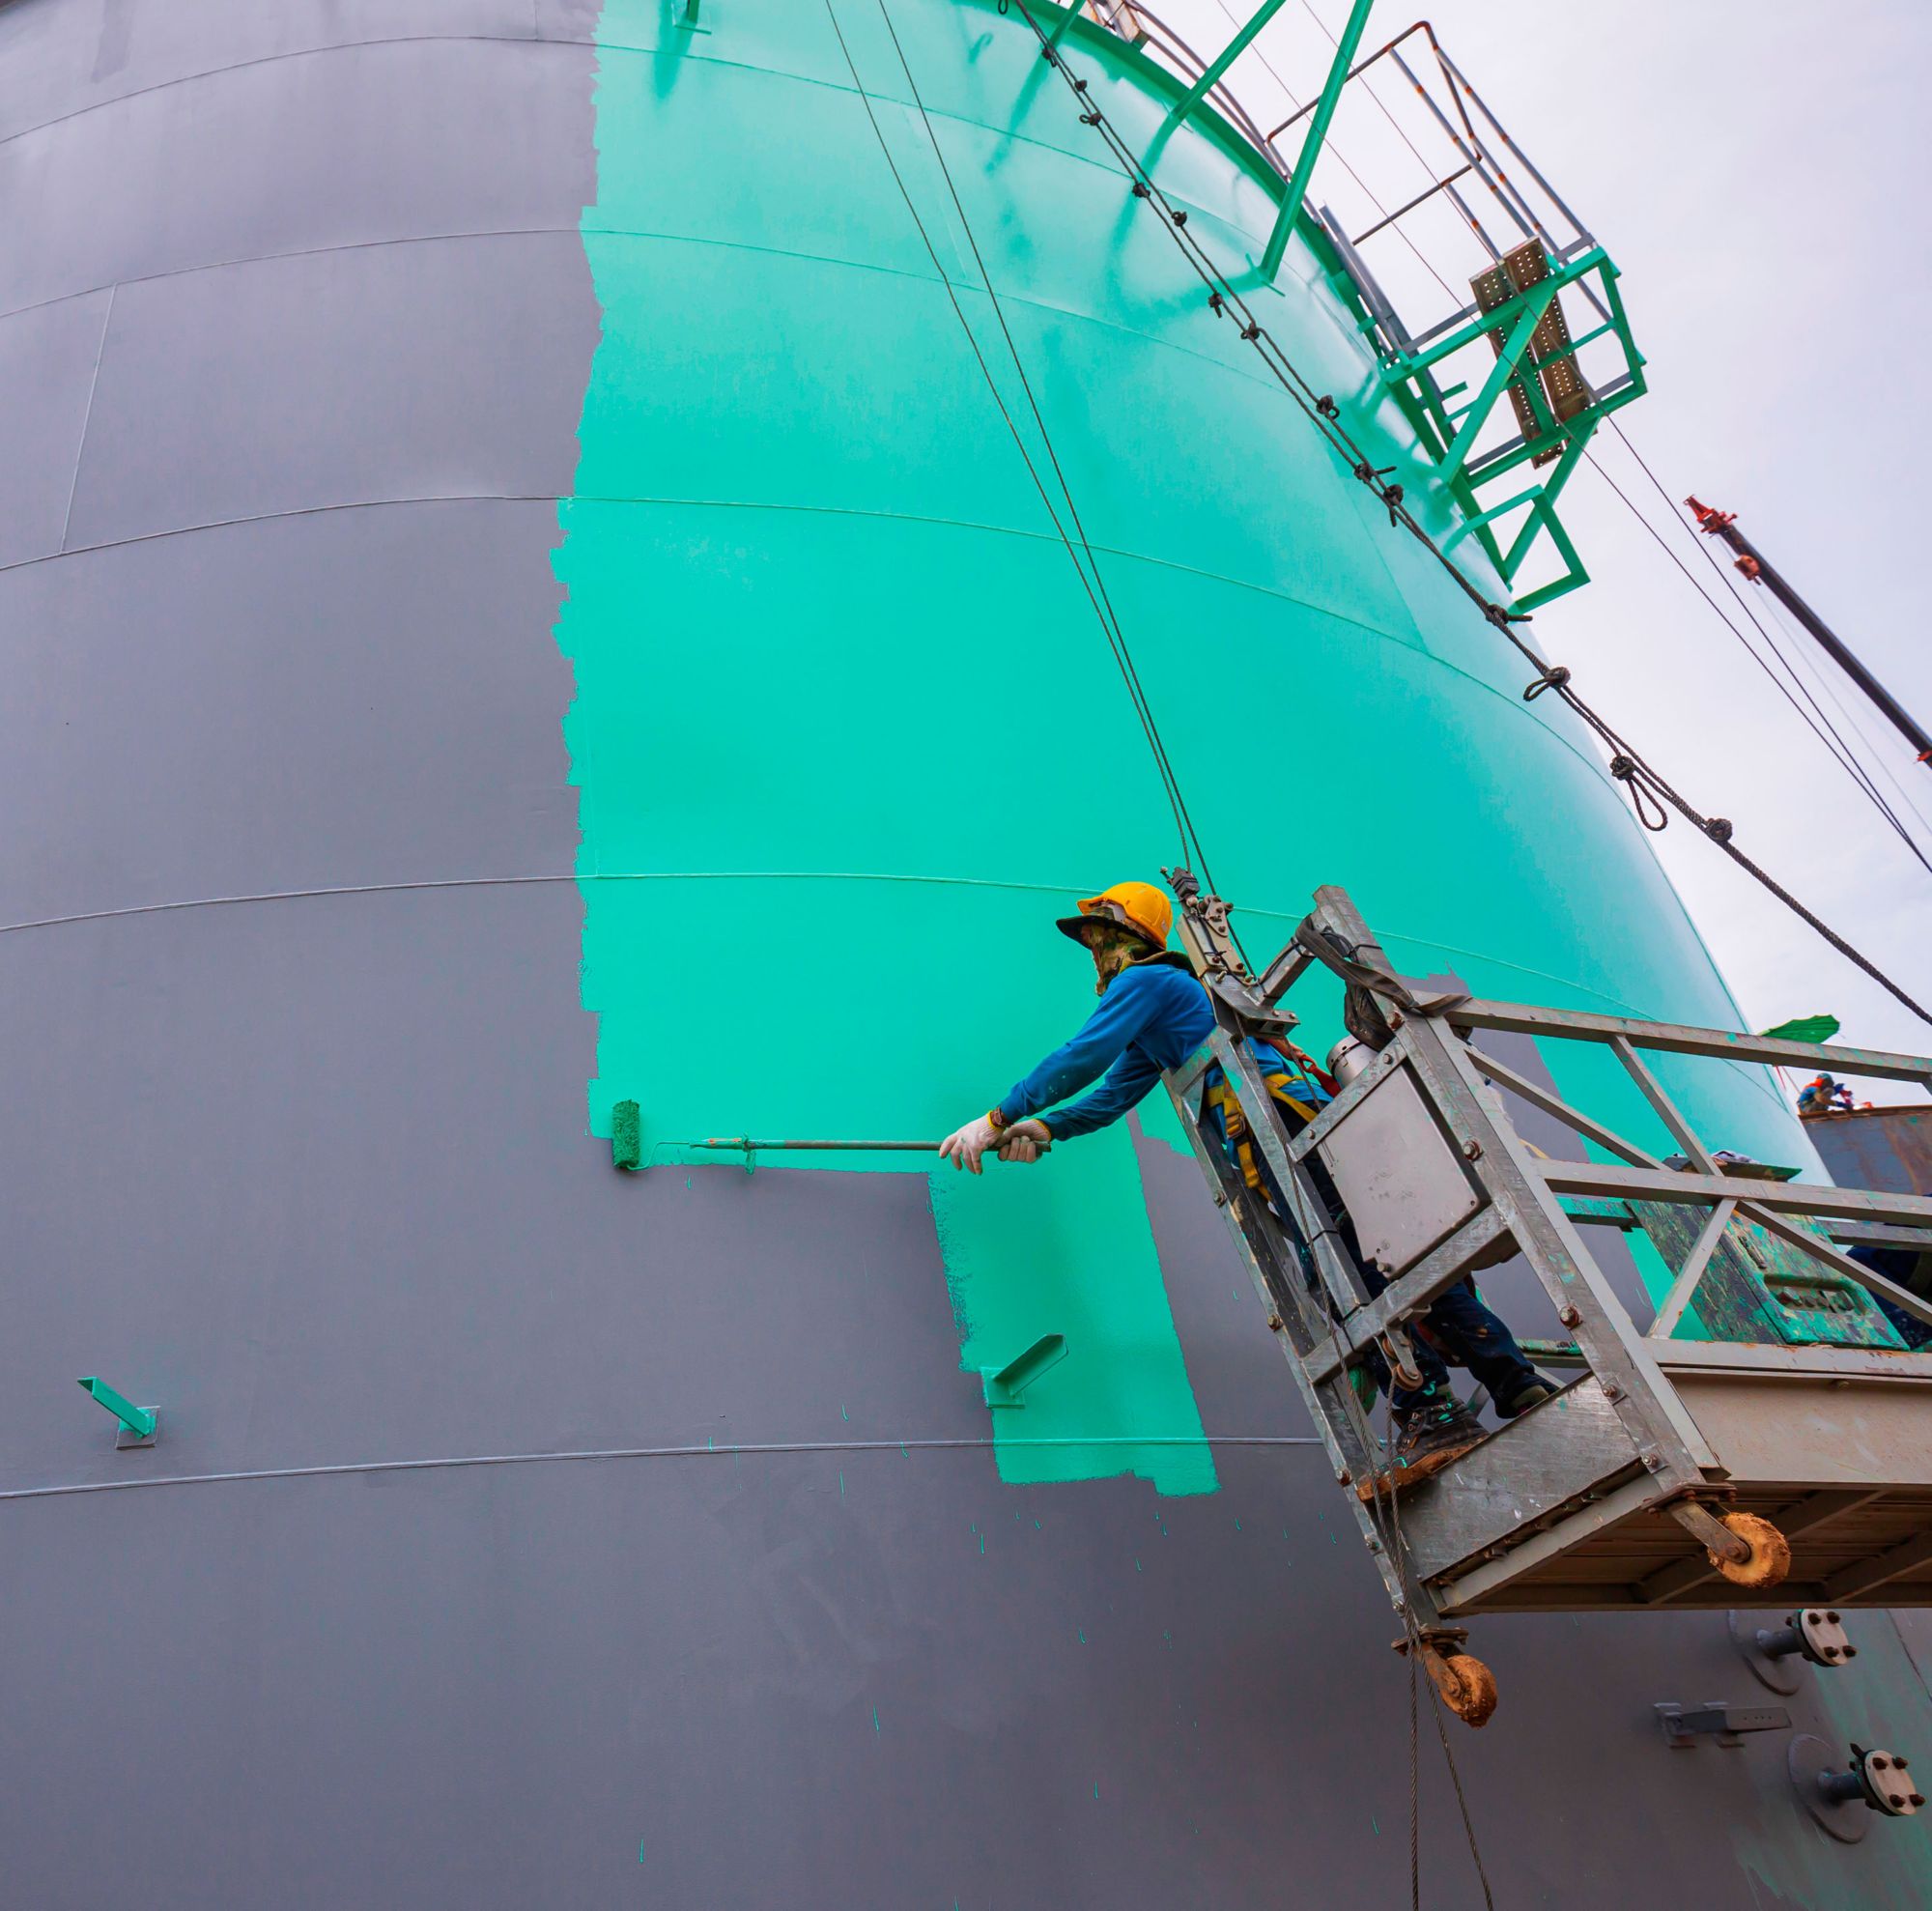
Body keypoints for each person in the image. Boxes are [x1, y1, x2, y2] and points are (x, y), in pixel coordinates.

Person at [939, 881, 1555, 1485]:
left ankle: (1432, 1412)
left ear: (1128, 937)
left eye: (1099, 939)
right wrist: (1042, 1129)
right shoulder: (1164, 1010)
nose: (1095, 957)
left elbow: (1084, 1054)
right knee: (1383, 1256)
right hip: (1289, 1132)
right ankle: (1516, 1382)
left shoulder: (1146, 981)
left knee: (1346, 1266)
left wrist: (998, 1116)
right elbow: (1109, 1095)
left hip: (1280, 1129)